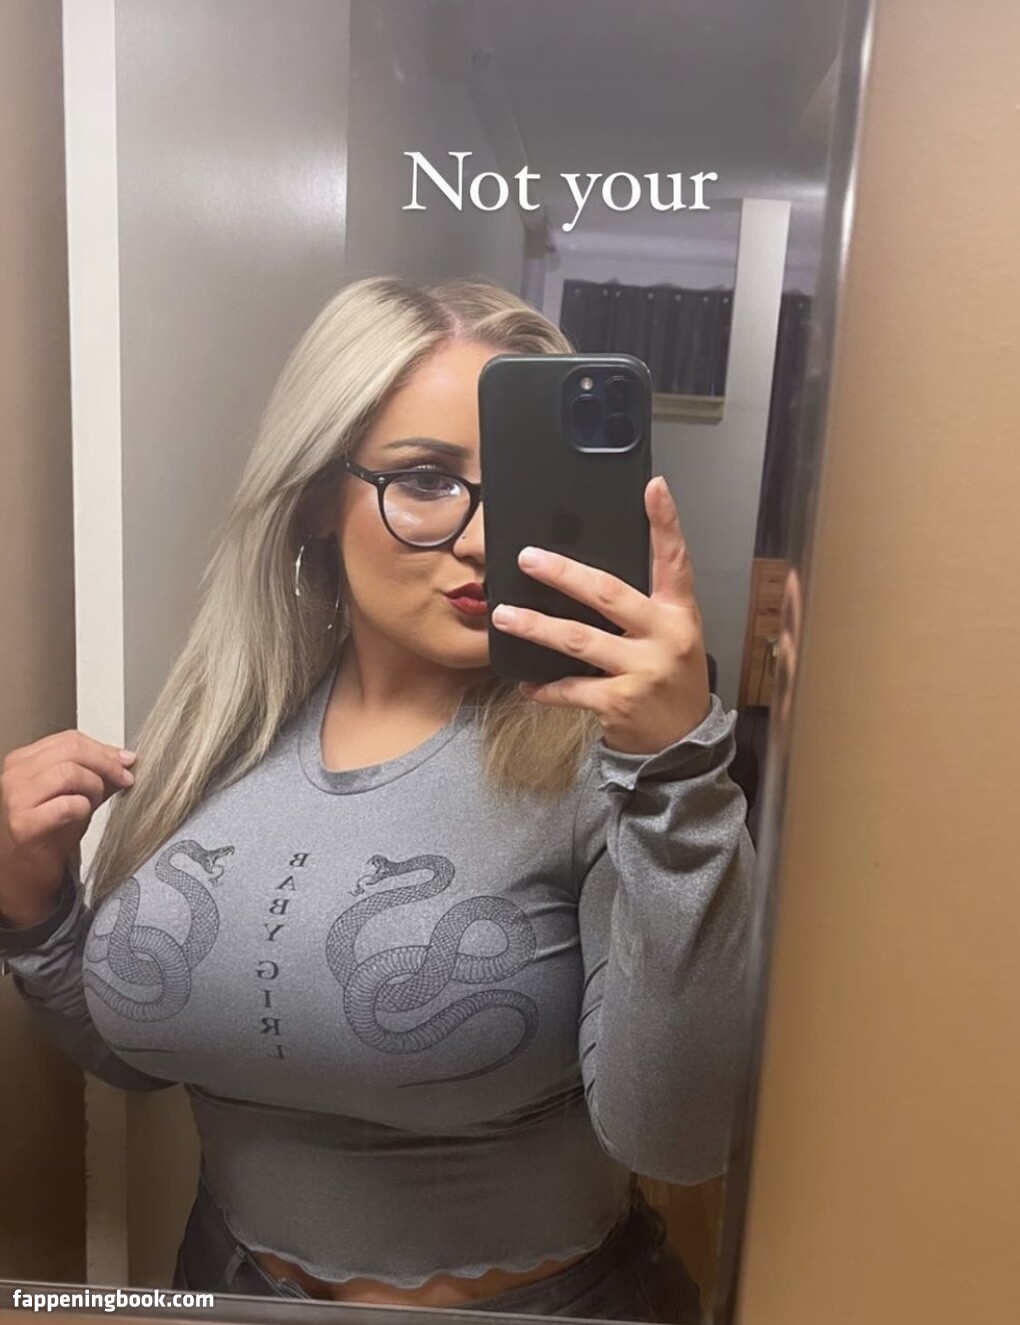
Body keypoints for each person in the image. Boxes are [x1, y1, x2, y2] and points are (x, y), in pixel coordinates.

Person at [0, 276, 755, 1321]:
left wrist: (679, 775)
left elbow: (680, 1138)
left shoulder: (615, 764)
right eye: (427, 479)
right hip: (224, 1288)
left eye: (520, 484)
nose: (484, 538)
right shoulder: (216, 732)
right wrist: (36, 911)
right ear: (319, 493)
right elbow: (140, 1047)